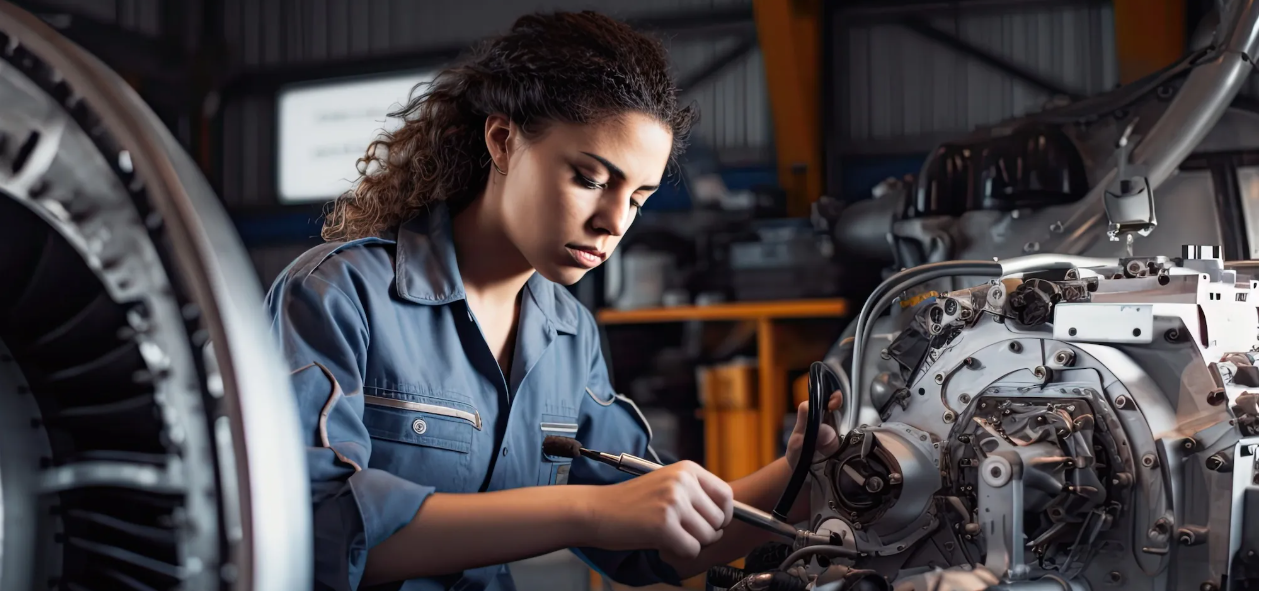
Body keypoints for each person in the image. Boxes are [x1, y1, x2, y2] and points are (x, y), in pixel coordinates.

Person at [265, 11, 841, 591]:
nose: (614, 222)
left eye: (637, 198)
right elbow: (318, 530)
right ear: (502, 141)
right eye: (590, 179)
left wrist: (798, 477)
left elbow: (651, 546)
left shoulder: (569, 334)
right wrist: (586, 511)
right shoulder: (337, 296)